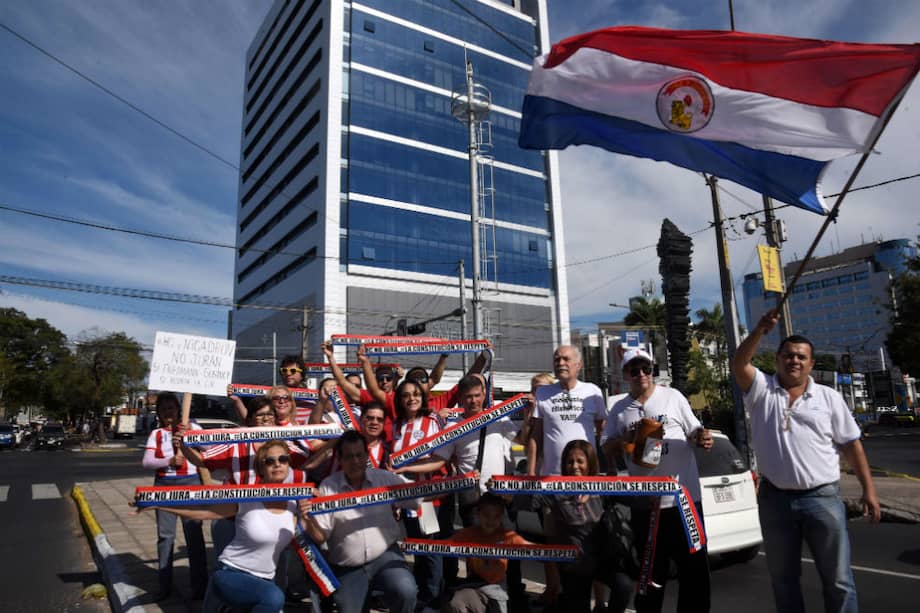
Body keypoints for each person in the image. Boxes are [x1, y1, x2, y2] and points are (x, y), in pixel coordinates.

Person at [731, 309, 880, 613]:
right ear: (778, 360)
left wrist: (869, 490)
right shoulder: (761, 390)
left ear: (811, 363)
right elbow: (739, 363)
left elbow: (852, 446)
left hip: (822, 499)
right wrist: (760, 329)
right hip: (775, 500)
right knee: (784, 580)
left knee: (838, 581)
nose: (794, 361)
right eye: (788, 355)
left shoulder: (829, 398)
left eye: (801, 357)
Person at [138, 439, 309, 613]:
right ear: (261, 468)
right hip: (232, 573)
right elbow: (203, 513)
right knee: (274, 598)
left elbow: (300, 540)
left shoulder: (294, 504)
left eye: (283, 459)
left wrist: (307, 514)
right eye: (270, 461)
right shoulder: (247, 498)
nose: (277, 464)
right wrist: (159, 504)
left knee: (272, 599)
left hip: (264, 581)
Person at [602, 348, 712, 613]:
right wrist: (625, 440)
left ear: (653, 370)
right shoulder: (618, 409)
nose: (641, 374)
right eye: (634, 370)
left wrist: (701, 437)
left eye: (646, 368)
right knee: (650, 577)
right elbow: (605, 446)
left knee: (694, 574)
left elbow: (693, 429)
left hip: (684, 502)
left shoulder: (672, 397)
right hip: (646, 505)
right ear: (625, 374)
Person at [300, 430, 419, 613]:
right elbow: (321, 536)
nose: (355, 461)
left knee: (406, 590)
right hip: (347, 567)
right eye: (348, 457)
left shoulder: (384, 478)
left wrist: (453, 483)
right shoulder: (328, 486)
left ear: (366, 456)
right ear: (339, 459)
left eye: (359, 455)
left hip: (384, 555)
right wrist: (307, 520)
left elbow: (418, 496)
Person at [542, 440, 632, 613]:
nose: (575, 466)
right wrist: (504, 491)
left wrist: (657, 491)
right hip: (574, 567)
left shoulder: (603, 486)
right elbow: (529, 499)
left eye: (580, 461)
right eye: (570, 462)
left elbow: (635, 497)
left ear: (589, 464)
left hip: (602, 561)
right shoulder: (556, 490)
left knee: (624, 586)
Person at [141, 392, 208, 601]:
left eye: (171, 408)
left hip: (191, 485)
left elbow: (211, 448)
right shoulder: (157, 434)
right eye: (164, 409)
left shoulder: (193, 427)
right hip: (164, 486)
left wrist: (192, 437)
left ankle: (200, 588)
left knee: (194, 536)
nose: (168, 412)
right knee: (165, 537)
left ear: (178, 409)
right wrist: (168, 461)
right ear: (159, 413)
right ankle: (164, 586)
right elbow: (147, 462)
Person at [391, 378, 446, 611]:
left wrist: (407, 467)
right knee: (416, 548)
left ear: (422, 397)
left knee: (431, 549)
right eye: (406, 394)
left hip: (427, 497)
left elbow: (438, 460)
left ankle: (433, 600)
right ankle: (420, 597)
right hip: (404, 499)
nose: (411, 398)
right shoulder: (396, 426)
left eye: (415, 393)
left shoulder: (432, 422)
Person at [441, 493, 531, 613]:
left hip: (497, 591)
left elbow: (534, 549)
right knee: (455, 603)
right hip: (473, 586)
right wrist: (412, 545)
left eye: (496, 516)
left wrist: (560, 553)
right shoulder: (469, 533)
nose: (491, 521)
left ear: (502, 517)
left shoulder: (508, 536)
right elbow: (442, 545)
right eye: (486, 515)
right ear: (478, 514)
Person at [527, 346, 605, 477]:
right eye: (557, 360)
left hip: (585, 476)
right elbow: (536, 436)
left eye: (566, 359)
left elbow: (603, 431)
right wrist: (531, 472)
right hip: (552, 476)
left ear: (578, 365)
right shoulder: (543, 392)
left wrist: (611, 466)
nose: (561, 363)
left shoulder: (593, 391)